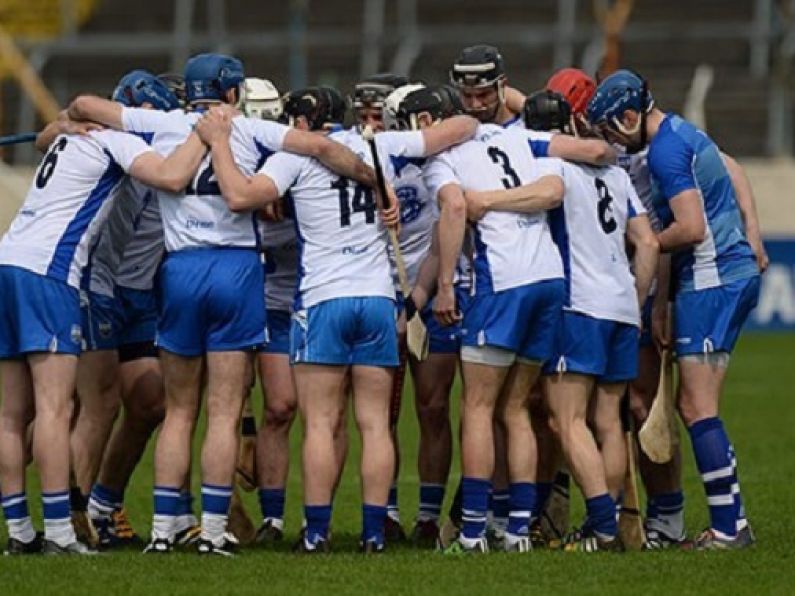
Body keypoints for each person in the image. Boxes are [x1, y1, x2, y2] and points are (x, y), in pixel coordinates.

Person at [67, 53, 377, 556]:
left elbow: (83, 103)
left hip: (180, 270)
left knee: (179, 412)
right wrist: (370, 179)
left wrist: (75, 121)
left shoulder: (161, 123)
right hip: (235, 270)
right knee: (224, 410)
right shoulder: (251, 129)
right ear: (233, 93)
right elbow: (320, 145)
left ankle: (164, 530)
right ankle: (213, 530)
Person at [0, 107, 204, 555]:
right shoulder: (117, 140)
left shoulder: (70, 138)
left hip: (8, 259)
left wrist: (62, 124)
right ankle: (58, 531)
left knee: (11, 414)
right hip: (50, 273)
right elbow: (171, 177)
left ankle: (18, 530)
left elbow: (46, 135)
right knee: (55, 408)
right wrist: (208, 135)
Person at [588, 69, 762, 550]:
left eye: (609, 129)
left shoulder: (664, 151)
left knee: (695, 405)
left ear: (628, 116)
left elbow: (689, 228)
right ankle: (731, 523)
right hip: (713, 277)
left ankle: (730, 528)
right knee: (694, 405)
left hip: (713, 277)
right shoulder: (680, 131)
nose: (609, 143)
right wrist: (662, 303)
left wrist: (642, 245)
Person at [522, 89, 660, 552]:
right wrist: (636, 303)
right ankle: (609, 524)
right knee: (608, 422)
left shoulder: (547, 164)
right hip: (621, 306)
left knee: (565, 421)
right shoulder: (616, 176)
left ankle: (601, 527)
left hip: (578, 305)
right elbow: (648, 243)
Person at [253, 87, 350, 543]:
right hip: (276, 302)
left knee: (329, 415)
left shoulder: (335, 157)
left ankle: (320, 517)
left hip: (322, 299)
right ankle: (271, 519)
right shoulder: (272, 159)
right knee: (279, 407)